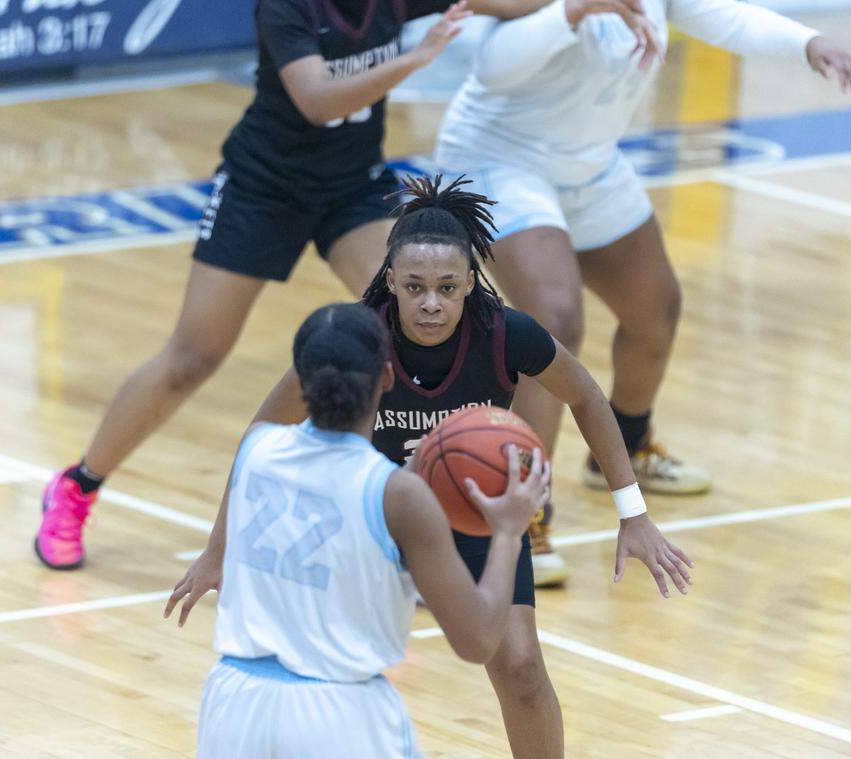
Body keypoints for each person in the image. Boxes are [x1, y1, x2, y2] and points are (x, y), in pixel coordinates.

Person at [34, 0, 660, 570]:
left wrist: (581, 4)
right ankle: (78, 486)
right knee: (193, 355)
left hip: (352, 188)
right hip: (263, 188)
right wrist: (414, 58)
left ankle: (417, 516)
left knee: (423, 324)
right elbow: (317, 100)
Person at [217, 175, 693, 759]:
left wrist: (632, 512)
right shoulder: (360, 338)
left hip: (477, 511)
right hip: (374, 514)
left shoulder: (505, 333)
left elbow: (588, 396)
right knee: (335, 662)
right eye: (415, 287)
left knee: (519, 665)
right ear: (390, 280)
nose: (431, 302)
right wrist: (219, 550)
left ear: (470, 281)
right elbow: (261, 436)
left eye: (447, 286)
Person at [433, 0, 851, 581]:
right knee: (555, 319)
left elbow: (727, 17)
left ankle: (626, 445)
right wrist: (573, 10)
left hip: (589, 166)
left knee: (655, 311)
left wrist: (809, 43)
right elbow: (492, 66)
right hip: (499, 158)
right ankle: (523, 514)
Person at [165, 302, 550, 758]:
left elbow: (335, 485)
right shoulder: (397, 496)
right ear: (387, 378)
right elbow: (479, 640)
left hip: (233, 704)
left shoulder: (255, 450)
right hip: (339, 716)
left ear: (302, 383)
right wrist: (507, 532)